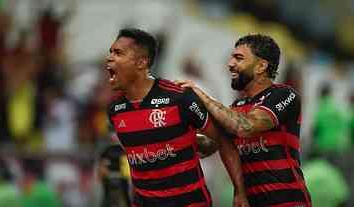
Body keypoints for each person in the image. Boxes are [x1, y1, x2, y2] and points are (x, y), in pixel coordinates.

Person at [104, 28, 248, 207]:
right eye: (110, 52)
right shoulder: (115, 110)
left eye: (118, 53)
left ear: (141, 62)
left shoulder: (179, 98)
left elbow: (223, 139)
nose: (109, 57)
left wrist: (240, 191)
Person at [177, 34, 312, 207]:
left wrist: (202, 96)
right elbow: (208, 145)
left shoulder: (284, 95)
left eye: (238, 58)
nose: (230, 64)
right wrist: (169, 134)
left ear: (261, 66)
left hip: (287, 202)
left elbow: (245, 126)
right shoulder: (237, 106)